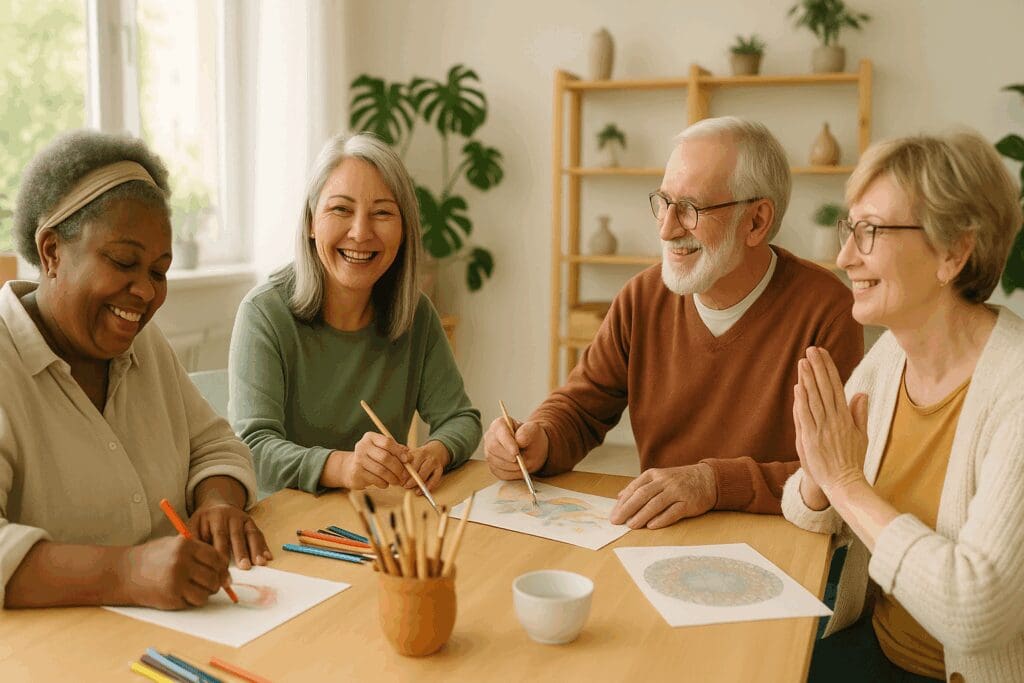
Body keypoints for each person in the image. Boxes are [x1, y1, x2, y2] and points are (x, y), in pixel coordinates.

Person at [484, 117, 863, 528]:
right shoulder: (641, 298)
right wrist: (539, 438)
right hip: (661, 536)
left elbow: (838, 470)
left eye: (690, 209)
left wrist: (714, 483)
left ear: (756, 221)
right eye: (663, 202)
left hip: (779, 541)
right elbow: (581, 408)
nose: (666, 229)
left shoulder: (828, 312)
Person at [783, 130, 1024, 682]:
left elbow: (975, 614)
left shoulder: (1016, 389)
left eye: (870, 231)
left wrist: (843, 481)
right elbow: (804, 509)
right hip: (876, 649)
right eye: (850, 227)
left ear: (954, 251)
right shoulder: (891, 356)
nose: (844, 256)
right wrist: (819, 475)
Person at [0, 130, 269, 611]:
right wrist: (126, 573)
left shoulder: (143, 344)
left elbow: (214, 445)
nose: (145, 292)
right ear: (51, 253)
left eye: (159, 271)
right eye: (124, 261)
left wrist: (218, 503)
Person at [230, 132, 481, 498]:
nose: (361, 233)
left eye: (382, 213)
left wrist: (436, 452)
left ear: (404, 230)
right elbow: (251, 448)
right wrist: (344, 466)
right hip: (286, 527)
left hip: (377, 520)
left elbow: (461, 419)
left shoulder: (415, 313)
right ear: (312, 223)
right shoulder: (264, 313)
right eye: (341, 210)